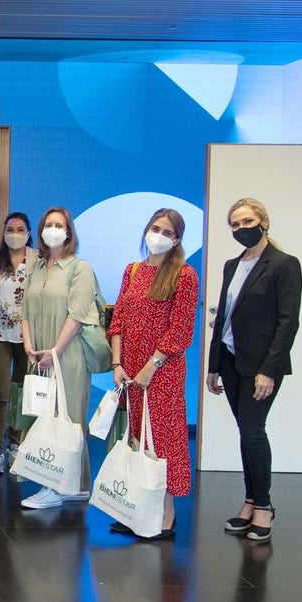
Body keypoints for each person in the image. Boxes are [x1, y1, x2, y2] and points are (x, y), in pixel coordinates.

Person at [207, 198, 301, 542]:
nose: (240, 229)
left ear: (264, 221)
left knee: (253, 430)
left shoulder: (283, 264)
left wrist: (269, 370)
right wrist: (213, 365)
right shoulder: (232, 265)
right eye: (234, 224)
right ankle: (249, 501)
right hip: (231, 361)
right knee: (245, 431)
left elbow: (288, 321)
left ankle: (264, 506)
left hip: (261, 366)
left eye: (247, 221)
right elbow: (223, 319)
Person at [108, 209, 199, 539]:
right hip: (130, 371)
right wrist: (118, 365)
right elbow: (117, 320)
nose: (158, 235)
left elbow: (180, 330)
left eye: (167, 231)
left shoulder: (184, 275)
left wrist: (152, 366)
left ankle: (166, 514)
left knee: (164, 440)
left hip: (163, 372)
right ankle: (138, 508)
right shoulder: (131, 271)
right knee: (138, 438)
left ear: (177, 239)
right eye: (155, 228)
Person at [19, 207, 98, 509]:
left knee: (69, 418)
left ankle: (60, 486)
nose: (53, 229)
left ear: (69, 232)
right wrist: (29, 346)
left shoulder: (80, 268)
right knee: (44, 418)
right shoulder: (36, 267)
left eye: (59, 225)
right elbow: (25, 311)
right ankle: (70, 484)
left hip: (67, 354)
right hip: (38, 355)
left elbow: (77, 315)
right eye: (48, 224)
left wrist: (55, 351)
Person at [0, 212, 38, 474]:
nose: (14, 234)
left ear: (28, 233)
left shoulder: (39, 261)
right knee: (2, 392)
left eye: (20, 229)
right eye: (10, 229)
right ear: (3, 232)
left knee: (21, 392)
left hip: (29, 337)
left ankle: (15, 445)